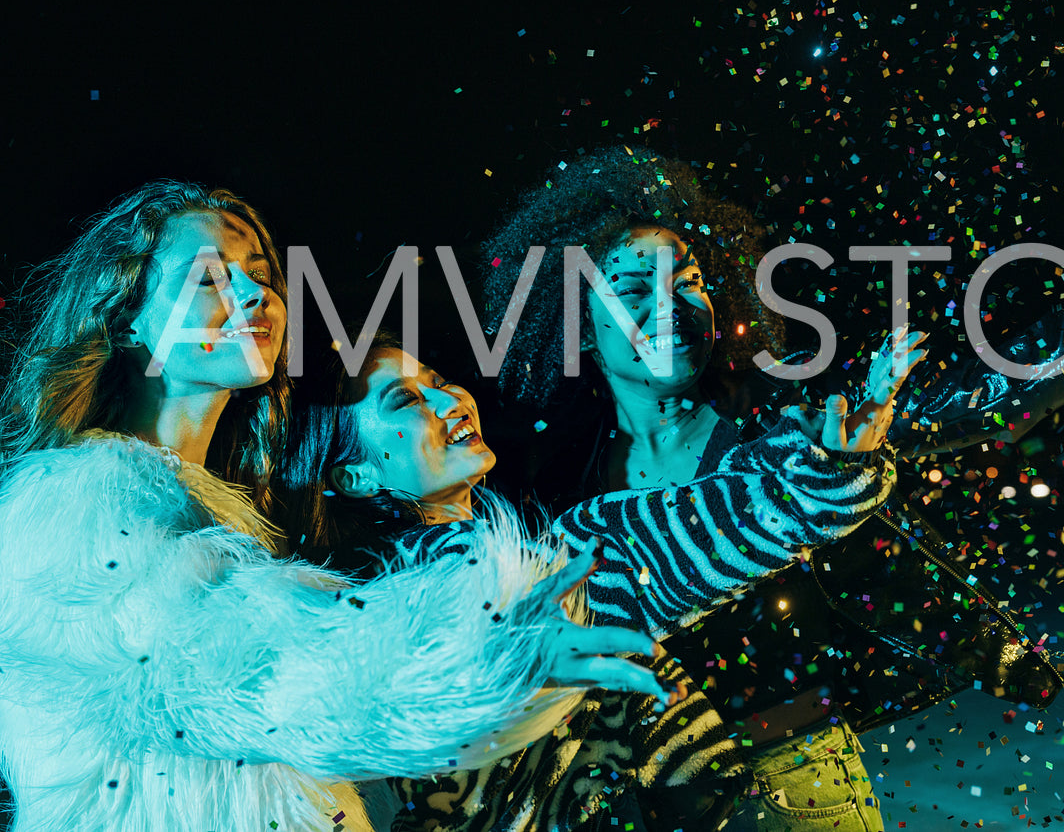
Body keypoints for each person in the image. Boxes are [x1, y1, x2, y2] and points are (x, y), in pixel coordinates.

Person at [478, 139, 1064, 830]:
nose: (669, 302)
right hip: (634, 794)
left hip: (797, 778)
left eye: (689, 278)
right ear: (576, 320)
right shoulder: (549, 486)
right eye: (632, 286)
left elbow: (1009, 381)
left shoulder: (796, 423)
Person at [0, 181, 676, 832]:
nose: (252, 293)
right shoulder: (75, 500)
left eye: (260, 272)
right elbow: (254, 675)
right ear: (127, 318)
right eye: (208, 277)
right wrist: (488, 647)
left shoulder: (209, 512)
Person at [270, 323, 914, 830]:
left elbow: (717, 520)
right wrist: (825, 470)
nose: (448, 397)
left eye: (437, 379)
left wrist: (832, 461)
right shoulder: (388, 615)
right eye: (406, 400)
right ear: (352, 476)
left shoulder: (556, 552)